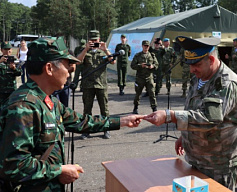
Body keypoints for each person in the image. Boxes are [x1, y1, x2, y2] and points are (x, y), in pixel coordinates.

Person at [0, 37, 144, 192]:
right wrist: (58, 171)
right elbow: (13, 165)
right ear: (49, 68)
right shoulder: (24, 107)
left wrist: (122, 121)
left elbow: (81, 122)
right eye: (67, 65)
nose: (71, 71)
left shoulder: (48, 100)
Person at [144, 36, 237, 191]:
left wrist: (170, 115)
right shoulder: (199, 77)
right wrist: (185, 135)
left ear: (211, 60)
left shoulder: (227, 84)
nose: (192, 69)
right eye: (189, 64)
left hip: (217, 164)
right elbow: (194, 110)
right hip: (196, 158)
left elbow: (209, 118)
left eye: (197, 64)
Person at [77, 30, 115, 139]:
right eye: (92, 40)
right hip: (88, 85)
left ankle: (106, 129)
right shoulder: (84, 51)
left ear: (99, 40)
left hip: (101, 84)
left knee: (104, 109)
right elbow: (78, 62)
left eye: (96, 40)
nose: (94, 42)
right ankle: (86, 130)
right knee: (87, 109)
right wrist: (85, 49)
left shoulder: (104, 52)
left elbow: (112, 61)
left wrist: (105, 49)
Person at [131, 40, 158, 114]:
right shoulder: (138, 55)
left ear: (149, 47)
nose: (146, 47)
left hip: (149, 77)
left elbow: (156, 65)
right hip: (140, 78)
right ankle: (135, 107)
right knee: (138, 93)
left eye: (147, 46)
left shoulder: (152, 55)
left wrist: (152, 66)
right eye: (145, 46)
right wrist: (140, 66)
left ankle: (154, 108)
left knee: (152, 93)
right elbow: (132, 65)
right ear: (142, 46)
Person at [0, 41, 21, 108]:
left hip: (12, 89)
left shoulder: (15, 61)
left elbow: (20, 73)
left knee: (11, 108)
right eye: (5, 49)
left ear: (11, 50)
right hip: (1, 90)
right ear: (1, 50)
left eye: (9, 49)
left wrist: (14, 68)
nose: (7, 51)